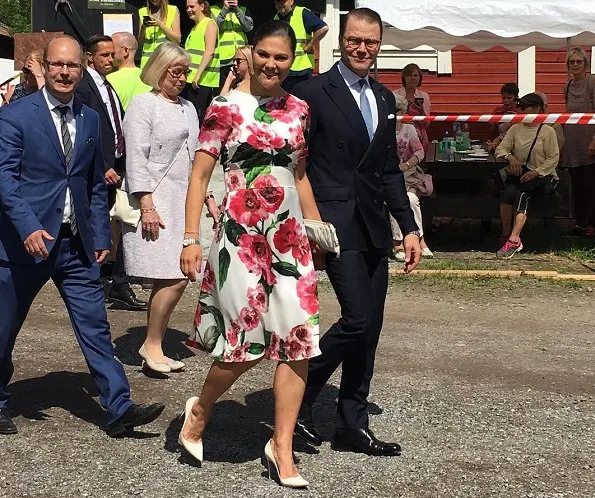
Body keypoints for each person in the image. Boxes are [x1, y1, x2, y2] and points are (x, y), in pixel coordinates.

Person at [179, 21, 323, 488]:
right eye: (264, 54)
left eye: (281, 57)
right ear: (251, 52)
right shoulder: (223, 108)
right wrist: (190, 237)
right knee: (244, 346)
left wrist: (317, 228)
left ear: (292, 58)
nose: (271, 64)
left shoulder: (300, 109)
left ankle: (281, 446)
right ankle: (200, 409)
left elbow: (298, 175)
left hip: (288, 239)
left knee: (297, 341)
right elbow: (200, 177)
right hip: (240, 239)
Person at [0, 35, 164, 436]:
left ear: (82, 68)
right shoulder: (15, 116)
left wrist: (100, 236)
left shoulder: (90, 119)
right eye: (57, 65)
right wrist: (27, 226)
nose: (64, 72)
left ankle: (118, 407)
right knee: (3, 327)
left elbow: (91, 182)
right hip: (24, 246)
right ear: (46, 66)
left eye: (72, 66)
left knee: (95, 324)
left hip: (75, 245)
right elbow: (5, 179)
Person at [292, 8, 421, 456]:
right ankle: (296, 399)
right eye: (354, 40)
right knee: (358, 319)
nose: (361, 48)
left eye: (370, 41)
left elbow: (388, 171)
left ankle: (351, 423)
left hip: (372, 225)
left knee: (372, 328)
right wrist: (308, 221)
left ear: (379, 43)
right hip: (334, 224)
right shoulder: (312, 93)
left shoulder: (385, 100)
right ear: (341, 41)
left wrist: (408, 227)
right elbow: (296, 163)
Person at [122, 43, 200, 374]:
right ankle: (151, 344)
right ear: (159, 70)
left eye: (185, 72)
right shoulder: (143, 104)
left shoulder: (189, 108)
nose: (181, 78)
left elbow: (196, 157)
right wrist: (147, 204)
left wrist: (206, 195)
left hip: (183, 199)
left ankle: (155, 343)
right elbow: (135, 157)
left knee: (178, 274)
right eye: (175, 71)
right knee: (174, 275)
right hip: (155, 199)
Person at [76, 35, 147, 312]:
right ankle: (95, 282)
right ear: (90, 57)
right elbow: (85, 131)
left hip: (117, 165)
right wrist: (102, 164)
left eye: (111, 54)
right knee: (97, 223)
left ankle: (115, 283)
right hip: (99, 169)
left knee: (117, 223)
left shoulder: (107, 84)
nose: (110, 59)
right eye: (103, 55)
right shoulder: (84, 86)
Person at [495, 93, 560, 257]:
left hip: (544, 175)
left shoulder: (548, 131)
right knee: (507, 193)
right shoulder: (515, 129)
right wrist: (511, 159)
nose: (524, 113)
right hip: (522, 174)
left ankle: (514, 239)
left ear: (538, 110)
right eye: (522, 109)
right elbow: (500, 149)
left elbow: (553, 158)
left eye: (528, 109)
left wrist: (536, 172)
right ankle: (505, 232)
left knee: (522, 194)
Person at [391, 94, 433, 260]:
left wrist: (407, 164)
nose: (395, 113)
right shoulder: (382, 129)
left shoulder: (409, 129)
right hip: (389, 177)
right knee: (393, 199)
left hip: (407, 175)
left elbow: (420, 152)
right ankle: (397, 242)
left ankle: (420, 239)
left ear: (403, 111)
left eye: (398, 110)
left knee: (412, 200)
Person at [561, 46, 595, 237]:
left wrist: (594, 141)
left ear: (585, 64)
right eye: (572, 62)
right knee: (577, 185)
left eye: (578, 61)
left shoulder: (592, 82)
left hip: (590, 140)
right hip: (573, 141)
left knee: (591, 185)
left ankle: (592, 224)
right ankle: (580, 223)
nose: (575, 65)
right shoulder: (567, 86)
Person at [273, 0, 328, 93]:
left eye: (282, 2)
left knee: (302, 99)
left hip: (302, 69)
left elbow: (323, 28)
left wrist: (310, 45)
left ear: (291, 1)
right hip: (283, 68)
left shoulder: (302, 12)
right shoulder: (276, 17)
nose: (279, 5)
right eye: (276, 3)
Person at [183, 0, 220, 121]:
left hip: (202, 80)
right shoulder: (195, 28)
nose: (189, 10)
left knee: (198, 116)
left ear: (202, 6)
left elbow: (209, 51)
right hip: (191, 78)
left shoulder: (209, 24)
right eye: (187, 7)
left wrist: (198, 75)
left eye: (192, 6)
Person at [211, 1, 253, 93]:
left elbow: (248, 27)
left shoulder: (243, 9)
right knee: (224, 91)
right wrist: (224, 10)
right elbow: (213, 28)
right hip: (223, 59)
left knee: (242, 90)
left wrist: (237, 10)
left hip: (242, 58)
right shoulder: (213, 9)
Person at [107, 32, 151, 111]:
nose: (109, 54)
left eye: (113, 49)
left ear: (125, 51)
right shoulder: (149, 79)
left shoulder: (108, 81)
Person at [395, 63, 431, 153]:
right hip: (400, 137)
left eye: (415, 75)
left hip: (420, 137)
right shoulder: (395, 95)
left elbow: (427, 123)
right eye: (409, 75)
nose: (413, 78)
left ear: (420, 78)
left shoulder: (424, 96)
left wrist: (420, 111)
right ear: (404, 78)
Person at [138, 0, 182, 69]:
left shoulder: (172, 10)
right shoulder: (142, 11)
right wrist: (143, 28)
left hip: (165, 58)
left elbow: (177, 39)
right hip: (147, 60)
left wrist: (160, 25)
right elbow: (140, 42)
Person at [487, 82, 519, 151]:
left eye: (509, 98)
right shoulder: (498, 111)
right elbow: (492, 130)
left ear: (516, 98)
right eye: (504, 98)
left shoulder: (520, 111)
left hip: (515, 145)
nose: (506, 101)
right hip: (498, 144)